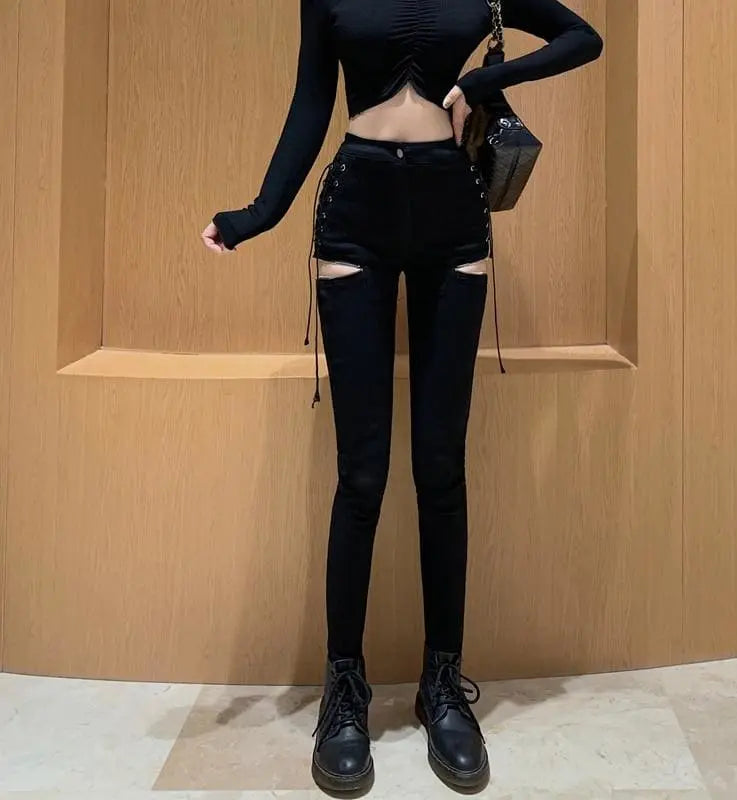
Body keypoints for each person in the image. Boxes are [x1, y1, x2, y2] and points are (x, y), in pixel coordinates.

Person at [201, 0, 602, 792]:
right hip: (355, 212)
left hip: (455, 217)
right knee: (362, 475)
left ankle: (441, 684)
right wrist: (257, 214)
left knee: (441, 468)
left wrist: (480, 82)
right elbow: (310, 104)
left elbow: (581, 38)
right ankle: (344, 691)